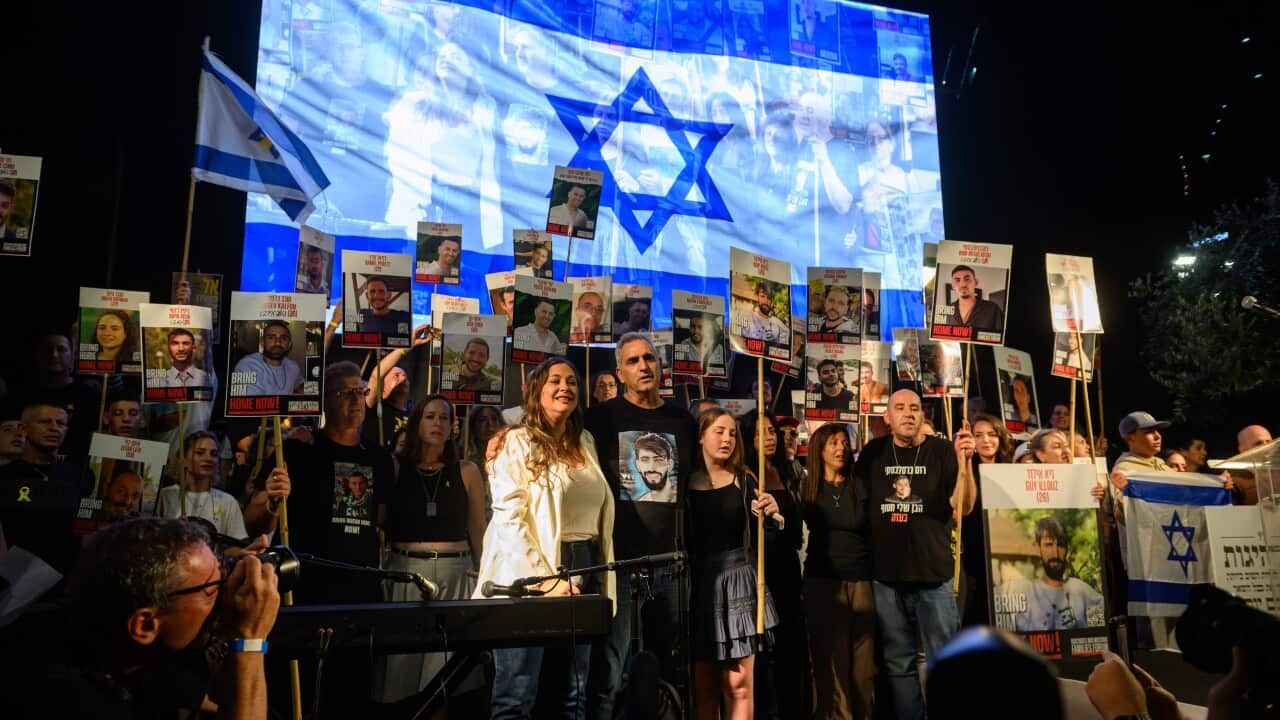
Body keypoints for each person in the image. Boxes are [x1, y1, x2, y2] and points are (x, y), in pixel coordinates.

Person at [0, 518, 280, 717]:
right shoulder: (63, 698)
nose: (223, 596)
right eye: (209, 591)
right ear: (145, 625)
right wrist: (250, 640)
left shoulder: (129, 657)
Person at [475, 357, 615, 718]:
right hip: (528, 572)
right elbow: (509, 519)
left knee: (573, 692)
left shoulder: (585, 440)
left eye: (571, 381)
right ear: (535, 390)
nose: (565, 387)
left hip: (584, 565)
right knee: (517, 694)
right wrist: (546, 580)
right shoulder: (514, 442)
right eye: (555, 380)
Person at [585, 333, 699, 718]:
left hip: (671, 563)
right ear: (620, 373)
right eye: (633, 361)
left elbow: (704, 477)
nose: (643, 366)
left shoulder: (682, 420)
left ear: (661, 366)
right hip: (619, 564)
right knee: (610, 672)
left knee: (670, 669)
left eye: (649, 358)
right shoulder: (600, 417)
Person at [854, 389, 975, 720]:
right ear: (888, 418)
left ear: (923, 416)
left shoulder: (940, 451)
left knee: (945, 662)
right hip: (887, 578)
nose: (908, 413)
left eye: (915, 408)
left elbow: (962, 506)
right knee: (899, 664)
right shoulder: (873, 453)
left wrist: (966, 463)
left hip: (934, 575)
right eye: (900, 408)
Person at [280, 361, 393, 714]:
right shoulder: (300, 451)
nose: (356, 401)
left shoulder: (378, 457)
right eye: (345, 393)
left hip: (360, 591)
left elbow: (382, 519)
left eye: (360, 392)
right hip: (308, 591)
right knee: (306, 693)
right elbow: (264, 512)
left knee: (354, 692)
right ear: (325, 401)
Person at [375, 395, 487, 704]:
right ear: (416, 423)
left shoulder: (467, 471)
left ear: (453, 426)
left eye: (444, 418)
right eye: (429, 416)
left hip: (456, 570)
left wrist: (486, 570)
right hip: (406, 572)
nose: (437, 423)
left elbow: (478, 527)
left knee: (448, 672)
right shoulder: (396, 467)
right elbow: (380, 520)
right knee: (403, 670)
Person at [688, 407, 782, 720]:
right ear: (701, 436)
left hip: (739, 580)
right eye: (719, 431)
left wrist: (772, 516)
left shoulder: (746, 479)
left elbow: (766, 533)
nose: (727, 438)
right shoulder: (681, 482)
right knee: (704, 689)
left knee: (739, 685)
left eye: (732, 433)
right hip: (699, 585)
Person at [801, 422, 874, 720]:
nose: (841, 448)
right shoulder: (806, 488)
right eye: (833, 442)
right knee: (831, 664)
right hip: (824, 584)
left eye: (845, 442)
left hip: (861, 582)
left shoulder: (861, 485)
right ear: (819, 449)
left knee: (863, 668)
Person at [740, 410, 808, 719]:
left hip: (788, 568)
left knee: (792, 648)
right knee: (766, 649)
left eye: (770, 431)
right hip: (760, 570)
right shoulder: (745, 474)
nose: (767, 437)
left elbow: (797, 529)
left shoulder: (788, 470)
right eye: (758, 432)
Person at [156, 431, 290, 541]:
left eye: (214, 454)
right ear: (183, 459)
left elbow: (235, 546)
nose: (208, 458)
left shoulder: (228, 502)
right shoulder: (165, 496)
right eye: (200, 453)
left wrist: (249, 550)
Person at [0, 401, 83, 572]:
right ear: (24, 429)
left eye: (61, 423)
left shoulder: (79, 476)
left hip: (68, 585)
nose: (54, 428)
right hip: (12, 584)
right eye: (45, 422)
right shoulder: (4, 477)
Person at [996, 516, 1105, 631]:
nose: (1055, 554)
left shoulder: (1080, 590)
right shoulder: (1022, 589)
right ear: (1037, 548)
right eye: (1049, 544)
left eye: (1061, 545)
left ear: (1067, 549)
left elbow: (1101, 632)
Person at [232, 321, 304, 396]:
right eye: (271, 338)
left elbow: (300, 384)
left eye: (283, 338)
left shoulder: (293, 366)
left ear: (289, 345)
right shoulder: (248, 365)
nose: (278, 342)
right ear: (262, 342)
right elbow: (254, 404)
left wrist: (314, 387)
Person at [945, 265, 1004, 334]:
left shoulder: (993, 308)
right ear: (953, 286)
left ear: (976, 282)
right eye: (957, 280)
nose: (963, 284)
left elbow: (1001, 337)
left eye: (967, 279)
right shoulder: (947, 310)